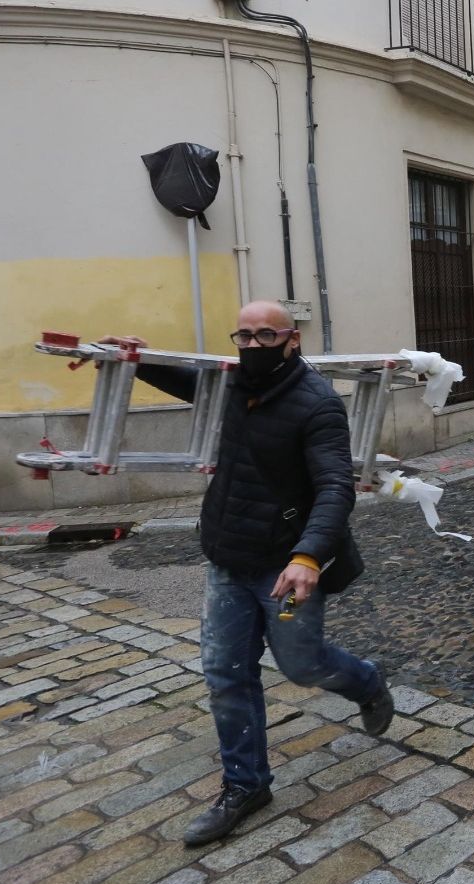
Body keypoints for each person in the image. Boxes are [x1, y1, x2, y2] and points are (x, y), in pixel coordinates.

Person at [101, 300, 394, 847]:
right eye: (244, 336)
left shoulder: (318, 405)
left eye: (265, 335)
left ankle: (367, 682)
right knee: (225, 673)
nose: (253, 345)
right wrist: (136, 359)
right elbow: (192, 383)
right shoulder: (232, 385)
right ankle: (245, 785)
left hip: (285, 567)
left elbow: (335, 486)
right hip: (229, 557)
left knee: (302, 666)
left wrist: (308, 556)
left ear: (292, 339)